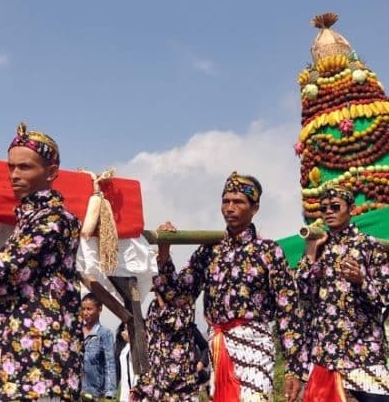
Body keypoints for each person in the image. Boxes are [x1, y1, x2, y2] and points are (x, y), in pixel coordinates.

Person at [155, 172, 306, 402]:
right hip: (219, 346)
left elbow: (289, 312)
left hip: (256, 346)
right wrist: (164, 251)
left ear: (254, 208)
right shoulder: (210, 250)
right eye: (226, 201)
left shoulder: (268, 251)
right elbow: (179, 296)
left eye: (238, 202)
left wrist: (294, 368)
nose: (230, 207)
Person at [0, 122, 84, 401]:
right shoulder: (24, 224)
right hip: (8, 371)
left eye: (25, 167)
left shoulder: (54, 220)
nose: (14, 175)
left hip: (39, 372)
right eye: (11, 167)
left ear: (52, 172)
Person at [298, 184, 389, 401]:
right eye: (324, 208)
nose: (328, 211)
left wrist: (362, 281)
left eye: (335, 206)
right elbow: (303, 291)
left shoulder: (369, 246)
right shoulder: (320, 247)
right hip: (326, 352)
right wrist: (310, 253)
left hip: (363, 348)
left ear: (352, 209)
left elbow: (385, 296)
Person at [129, 290, 206, 402]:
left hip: (182, 391)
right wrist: (140, 388)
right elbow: (151, 357)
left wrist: (200, 364)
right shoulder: (153, 314)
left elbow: (205, 347)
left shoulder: (184, 316)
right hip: (157, 392)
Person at [81, 293, 117, 400]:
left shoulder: (105, 334)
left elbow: (109, 363)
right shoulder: (76, 331)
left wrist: (110, 391)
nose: (85, 313)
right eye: (83, 309)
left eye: (89, 309)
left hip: (93, 392)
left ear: (99, 309)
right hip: (74, 389)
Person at [114, 324, 135, 402]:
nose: (123, 332)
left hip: (134, 391)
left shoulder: (138, 346)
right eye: (123, 329)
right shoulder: (123, 347)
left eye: (126, 329)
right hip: (125, 393)